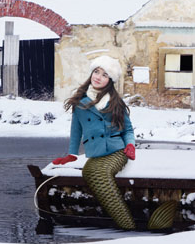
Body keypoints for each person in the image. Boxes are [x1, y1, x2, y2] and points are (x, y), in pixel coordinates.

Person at [51, 55, 137, 230]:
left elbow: (128, 130)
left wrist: (130, 145)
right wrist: (72, 154)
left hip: (116, 150)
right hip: (95, 152)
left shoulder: (115, 102)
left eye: (105, 75)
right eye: (97, 72)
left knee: (100, 173)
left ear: (110, 81)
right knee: (90, 171)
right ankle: (125, 222)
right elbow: (76, 131)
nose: (98, 77)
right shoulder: (80, 103)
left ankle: (126, 224)